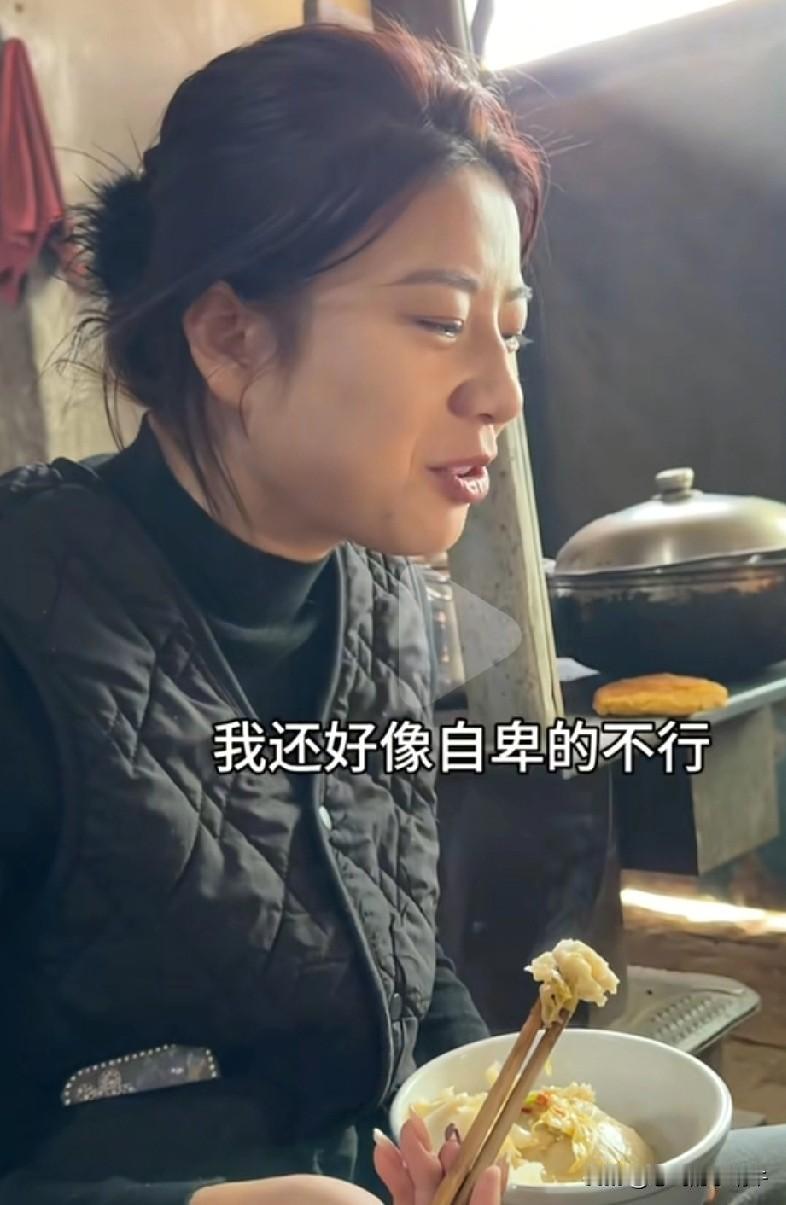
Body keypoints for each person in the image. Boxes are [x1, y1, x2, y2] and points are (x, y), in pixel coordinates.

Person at [0, 18, 782, 1205]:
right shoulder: (29, 613)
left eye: (511, 329)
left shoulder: (381, 600)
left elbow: (401, 966)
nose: (502, 393)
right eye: (438, 320)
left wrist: (486, 1117)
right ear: (229, 336)